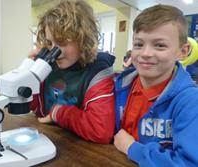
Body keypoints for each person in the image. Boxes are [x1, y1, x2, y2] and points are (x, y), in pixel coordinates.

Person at [113, 4, 198, 167]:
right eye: (139, 44)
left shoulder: (190, 102)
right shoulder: (120, 85)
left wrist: (131, 148)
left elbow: (188, 163)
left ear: (183, 51)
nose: (145, 53)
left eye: (159, 45)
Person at [29, 0, 115, 144]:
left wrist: (58, 113)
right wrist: (29, 77)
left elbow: (101, 130)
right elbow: (29, 106)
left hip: (80, 147)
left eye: (62, 42)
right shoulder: (49, 64)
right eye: (50, 43)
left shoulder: (97, 72)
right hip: (46, 137)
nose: (55, 52)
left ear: (84, 39)